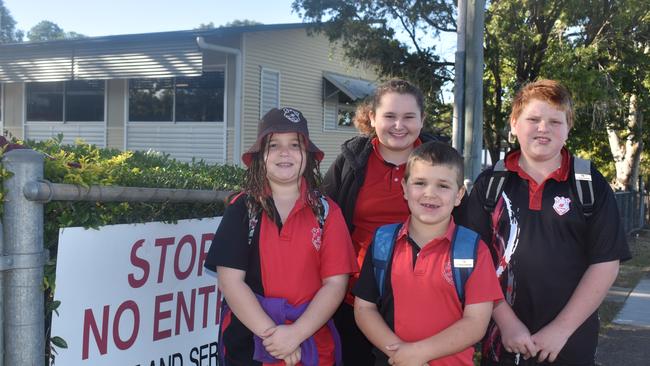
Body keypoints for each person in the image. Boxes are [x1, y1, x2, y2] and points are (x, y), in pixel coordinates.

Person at [465, 80, 631, 365]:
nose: (543, 128)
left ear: (568, 128)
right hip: (501, 336)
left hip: (570, 338)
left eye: (555, 121)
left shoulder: (589, 183)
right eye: (533, 119)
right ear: (514, 124)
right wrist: (506, 321)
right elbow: (471, 259)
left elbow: (605, 263)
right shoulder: (490, 184)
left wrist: (561, 329)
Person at [204, 107, 358, 366]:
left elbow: (335, 285)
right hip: (250, 342)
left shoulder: (327, 211)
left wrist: (296, 334)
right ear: (260, 155)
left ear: (307, 155)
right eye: (273, 145)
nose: (284, 152)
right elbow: (230, 283)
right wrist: (274, 338)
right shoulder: (243, 208)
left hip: (312, 341)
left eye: (294, 145)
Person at [322, 79, 452, 365]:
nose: (398, 125)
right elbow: (321, 215)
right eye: (389, 116)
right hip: (355, 298)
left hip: (423, 298)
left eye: (408, 117)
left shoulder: (441, 161)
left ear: (422, 119)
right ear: (372, 117)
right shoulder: (351, 160)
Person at [353, 141, 503, 366]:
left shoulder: (473, 249)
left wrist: (418, 354)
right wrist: (400, 354)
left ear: (459, 194)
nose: (430, 193)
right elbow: (364, 308)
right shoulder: (383, 242)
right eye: (420, 183)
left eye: (443, 186)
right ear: (404, 188)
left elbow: (475, 323)